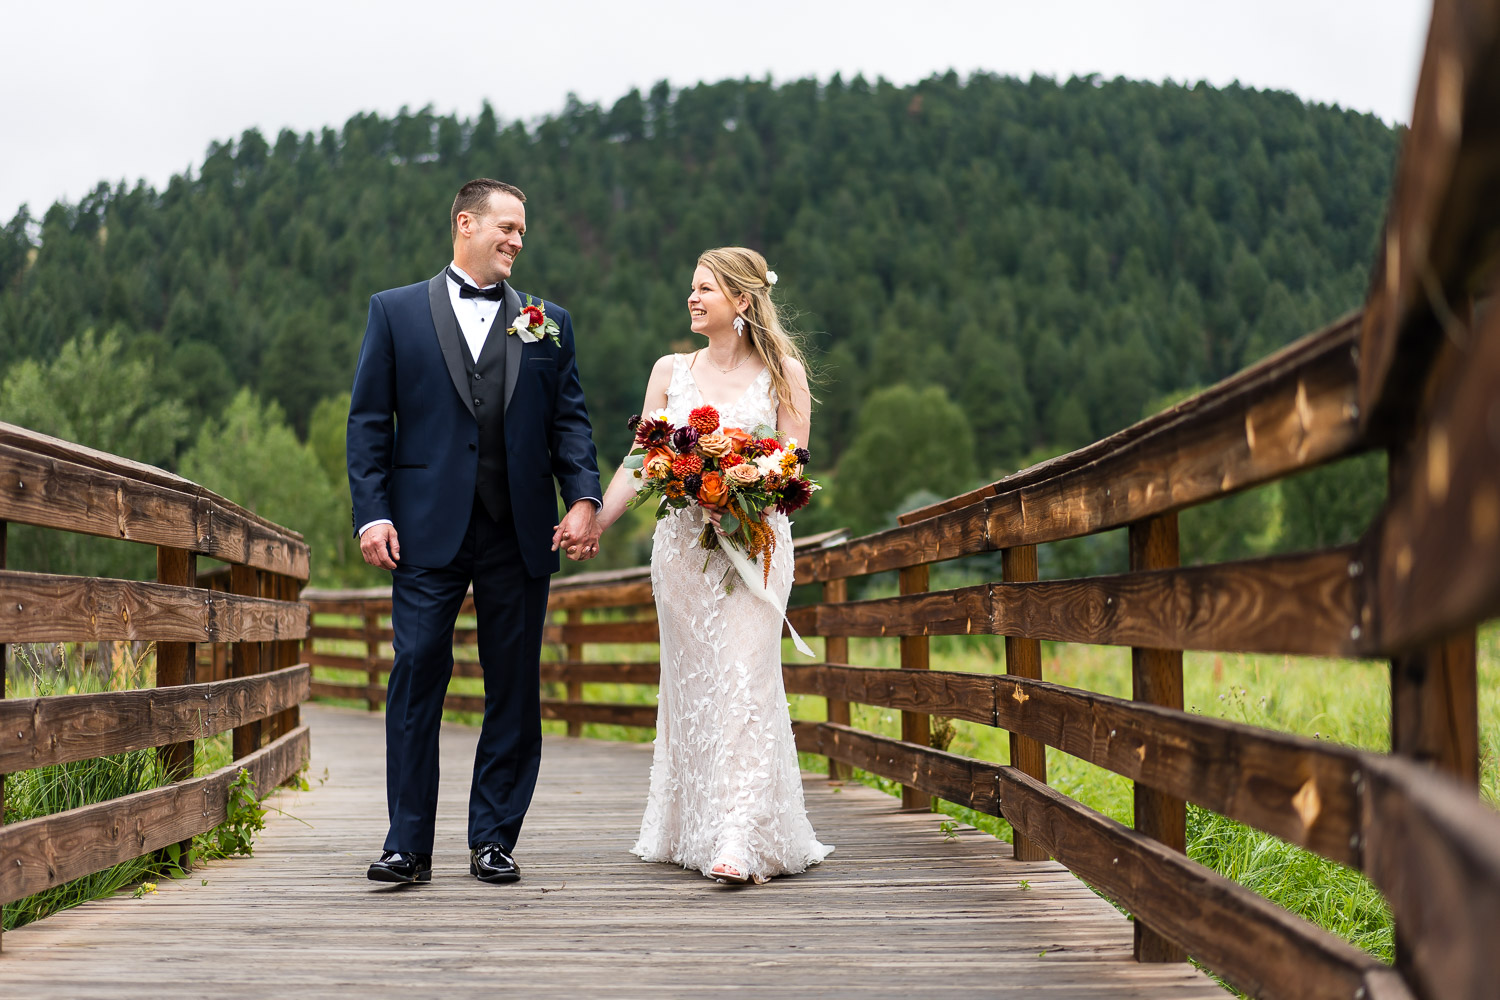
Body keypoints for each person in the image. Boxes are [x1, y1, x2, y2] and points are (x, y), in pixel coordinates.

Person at [347, 178, 603, 886]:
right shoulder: (394, 311)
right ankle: (406, 845)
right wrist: (372, 511)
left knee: (513, 685)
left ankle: (494, 838)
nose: (518, 240)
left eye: (522, 230)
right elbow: (368, 422)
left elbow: (569, 421)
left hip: (520, 529)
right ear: (466, 223)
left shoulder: (549, 321)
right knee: (415, 672)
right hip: (423, 528)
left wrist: (583, 497)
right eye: (507, 227)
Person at [594, 247, 833, 884]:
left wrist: (738, 489)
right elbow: (639, 461)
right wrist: (594, 522)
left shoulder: (784, 372)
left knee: (746, 680)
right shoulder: (670, 370)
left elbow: (793, 467)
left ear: (742, 301)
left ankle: (740, 836)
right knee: (697, 685)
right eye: (692, 288)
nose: (693, 298)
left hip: (754, 546)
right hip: (681, 554)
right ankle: (695, 826)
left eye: (706, 289)